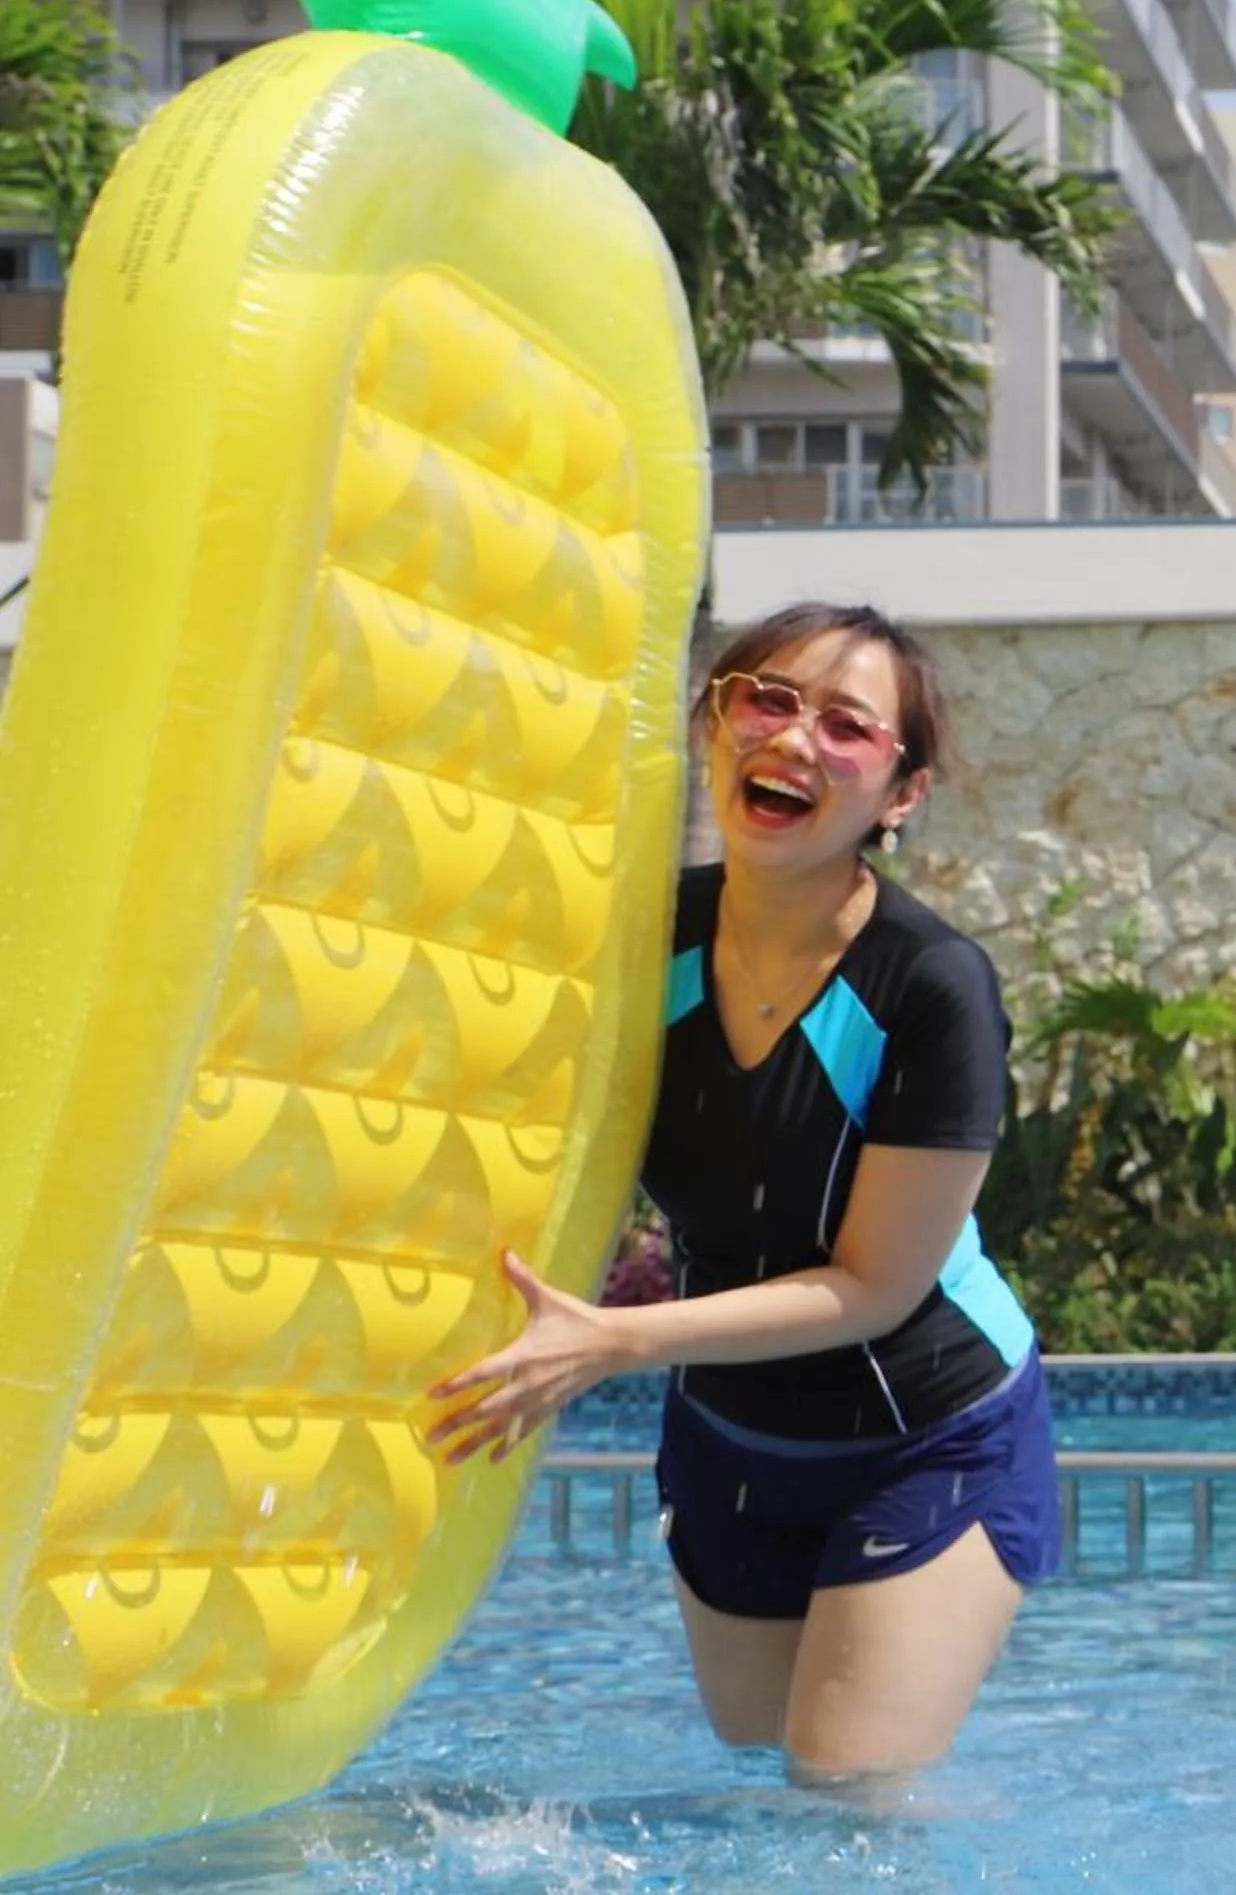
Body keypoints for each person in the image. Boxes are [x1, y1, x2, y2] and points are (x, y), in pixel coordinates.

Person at [428, 600, 1057, 1782]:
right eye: (764, 698)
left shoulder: (931, 987)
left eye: (847, 725)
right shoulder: (638, 944)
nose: (794, 738)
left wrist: (611, 1338)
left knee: (847, 1789)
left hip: (926, 1430)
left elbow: (876, 1284)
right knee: (758, 1762)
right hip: (729, 1436)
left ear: (902, 792)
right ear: (714, 724)